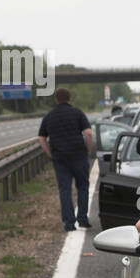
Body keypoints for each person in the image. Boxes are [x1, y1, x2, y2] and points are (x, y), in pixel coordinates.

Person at [37, 87, 94, 231]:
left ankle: (69, 223)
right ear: (70, 98)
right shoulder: (77, 113)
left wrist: (50, 153)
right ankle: (82, 219)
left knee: (64, 190)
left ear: (56, 99)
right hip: (79, 156)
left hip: (60, 158)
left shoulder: (49, 116)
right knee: (83, 187)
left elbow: (41, 138)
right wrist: (88, 150)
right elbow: (88, 133)